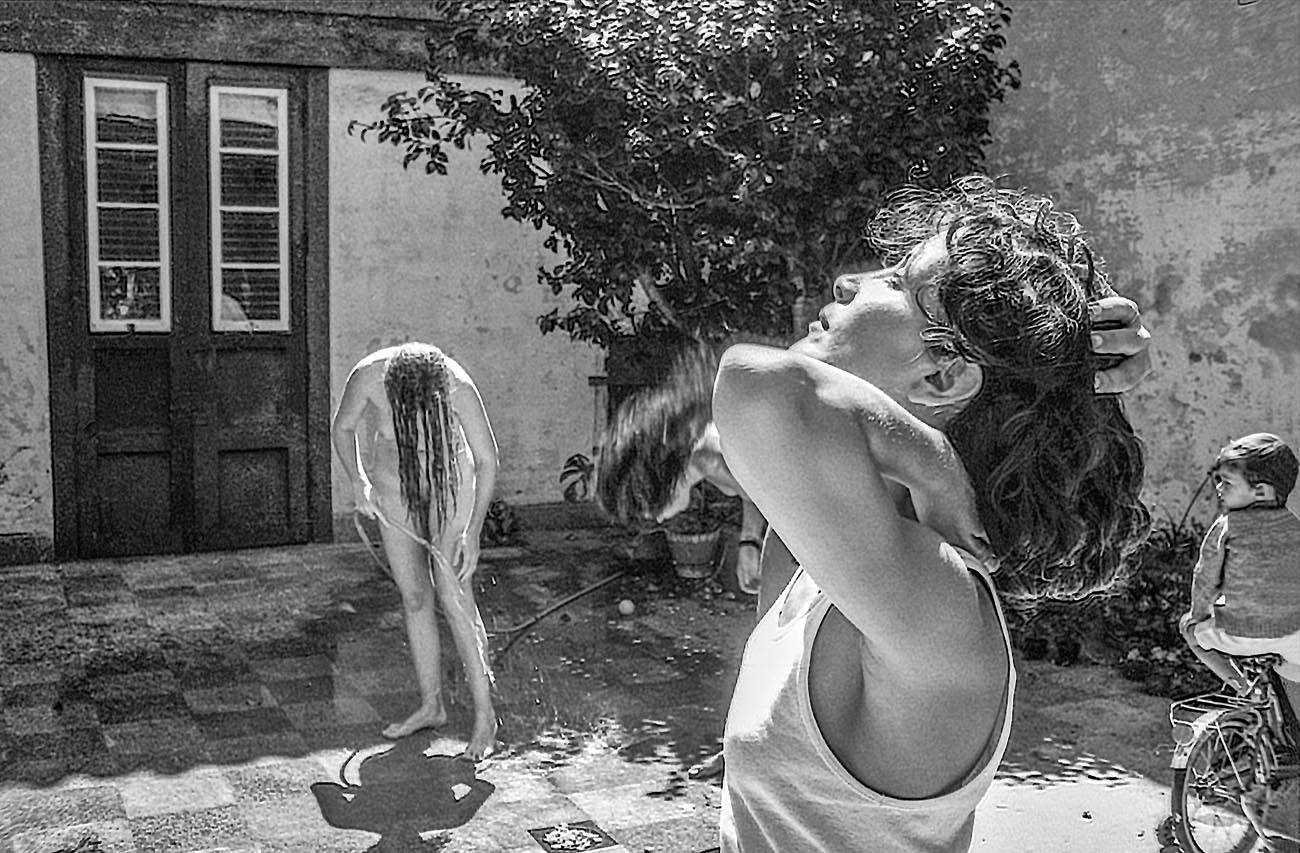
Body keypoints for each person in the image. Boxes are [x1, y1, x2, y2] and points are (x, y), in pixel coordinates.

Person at [710, 175, 1151, 851]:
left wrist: (929, 458)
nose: (847, 282)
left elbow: (757, 387)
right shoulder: (829, 559)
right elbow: (754, 422)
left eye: (893, 281)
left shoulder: (944, 608)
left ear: (943, 375)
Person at [330, 342, 500, 760]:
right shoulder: (368, 376)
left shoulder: (457, 384)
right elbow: (343, 427)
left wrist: (473, 531)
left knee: (454, 597)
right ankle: (431, 706)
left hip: (451, 489)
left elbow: (486, 459)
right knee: (415, 597)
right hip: (394, 490)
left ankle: (485, 717)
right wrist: (359, 483)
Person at [1178, 433, 1300, 722]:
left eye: (1227, 482)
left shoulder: (1227, 526)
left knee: (1190, 631)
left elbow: (1205, 577)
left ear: (1260, 492)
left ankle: (1246, 688)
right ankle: (1285, 722)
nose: (1219, 488)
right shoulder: (1295, 527)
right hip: (1294, 634)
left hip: (1240, 635)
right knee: (1292, 667)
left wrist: (1198, 616)